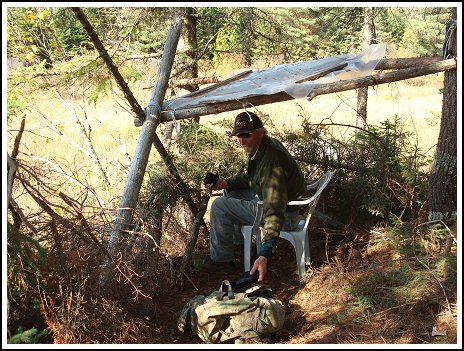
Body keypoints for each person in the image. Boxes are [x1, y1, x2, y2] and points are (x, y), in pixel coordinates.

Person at [201, 111, 307, 282]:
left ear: (260, 132)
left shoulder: (272, 161)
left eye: (246, 135)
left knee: (219, 205)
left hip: (288, 216)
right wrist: (226, 183)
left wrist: (265, 253)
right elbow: (254, 179)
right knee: (231, 193)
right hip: (288, 205)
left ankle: (221, 262)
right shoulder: (264, 147)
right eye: (238, 136)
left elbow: (274, 209)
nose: (242, 141)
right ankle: (238, 246)